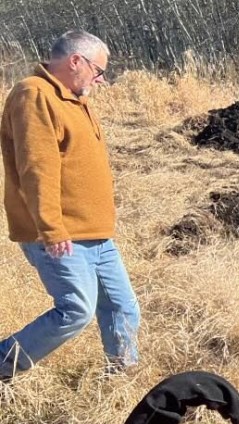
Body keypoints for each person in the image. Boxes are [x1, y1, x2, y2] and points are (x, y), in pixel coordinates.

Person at [0, 30, 140, 381]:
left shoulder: (73, 97)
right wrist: (50, 227)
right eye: (98, 71)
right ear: (75, 61)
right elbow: (36, 167)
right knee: (75, 310)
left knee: (122, 307)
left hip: (95, 233)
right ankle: (3, 365)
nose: (100, 79)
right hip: (60, 234)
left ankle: (121, 379)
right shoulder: (35, 95)